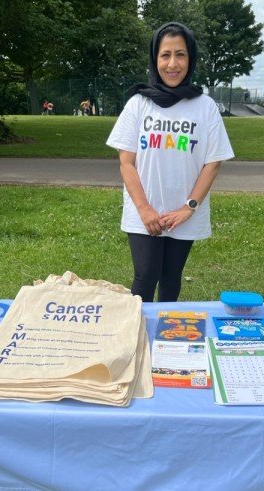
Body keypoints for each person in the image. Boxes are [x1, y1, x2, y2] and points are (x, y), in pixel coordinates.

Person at [106, 21, 234, 302]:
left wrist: (188, 208)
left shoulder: (205, 106)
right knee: (145, 275)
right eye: (165, 55)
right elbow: (126, 162)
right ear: (155, 58)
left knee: (171, 277)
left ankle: (166, 336)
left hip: (183, 212)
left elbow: (212, 163)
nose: (172, 64)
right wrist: (144, 210)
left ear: (191, 59)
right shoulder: (139, 104)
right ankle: (136, 336)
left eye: (180, 54)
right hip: (144, 212)